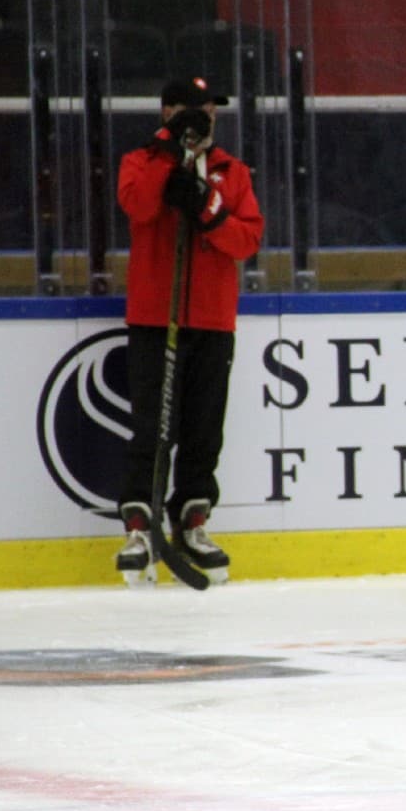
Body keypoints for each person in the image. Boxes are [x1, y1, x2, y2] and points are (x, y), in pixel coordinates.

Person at [114, 77, 265, 586]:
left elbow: (247, 240)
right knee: (154, 426)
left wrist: (208, 209)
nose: (206, 116)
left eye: (210, 109)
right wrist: (168, 162)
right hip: (157, 318)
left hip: (212, 319)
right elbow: (138, 207)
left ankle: (192, 518)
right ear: (168, 112)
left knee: (203, 428)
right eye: (195, 109)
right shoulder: (140, 161)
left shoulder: (231, 172)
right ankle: (140, 524)